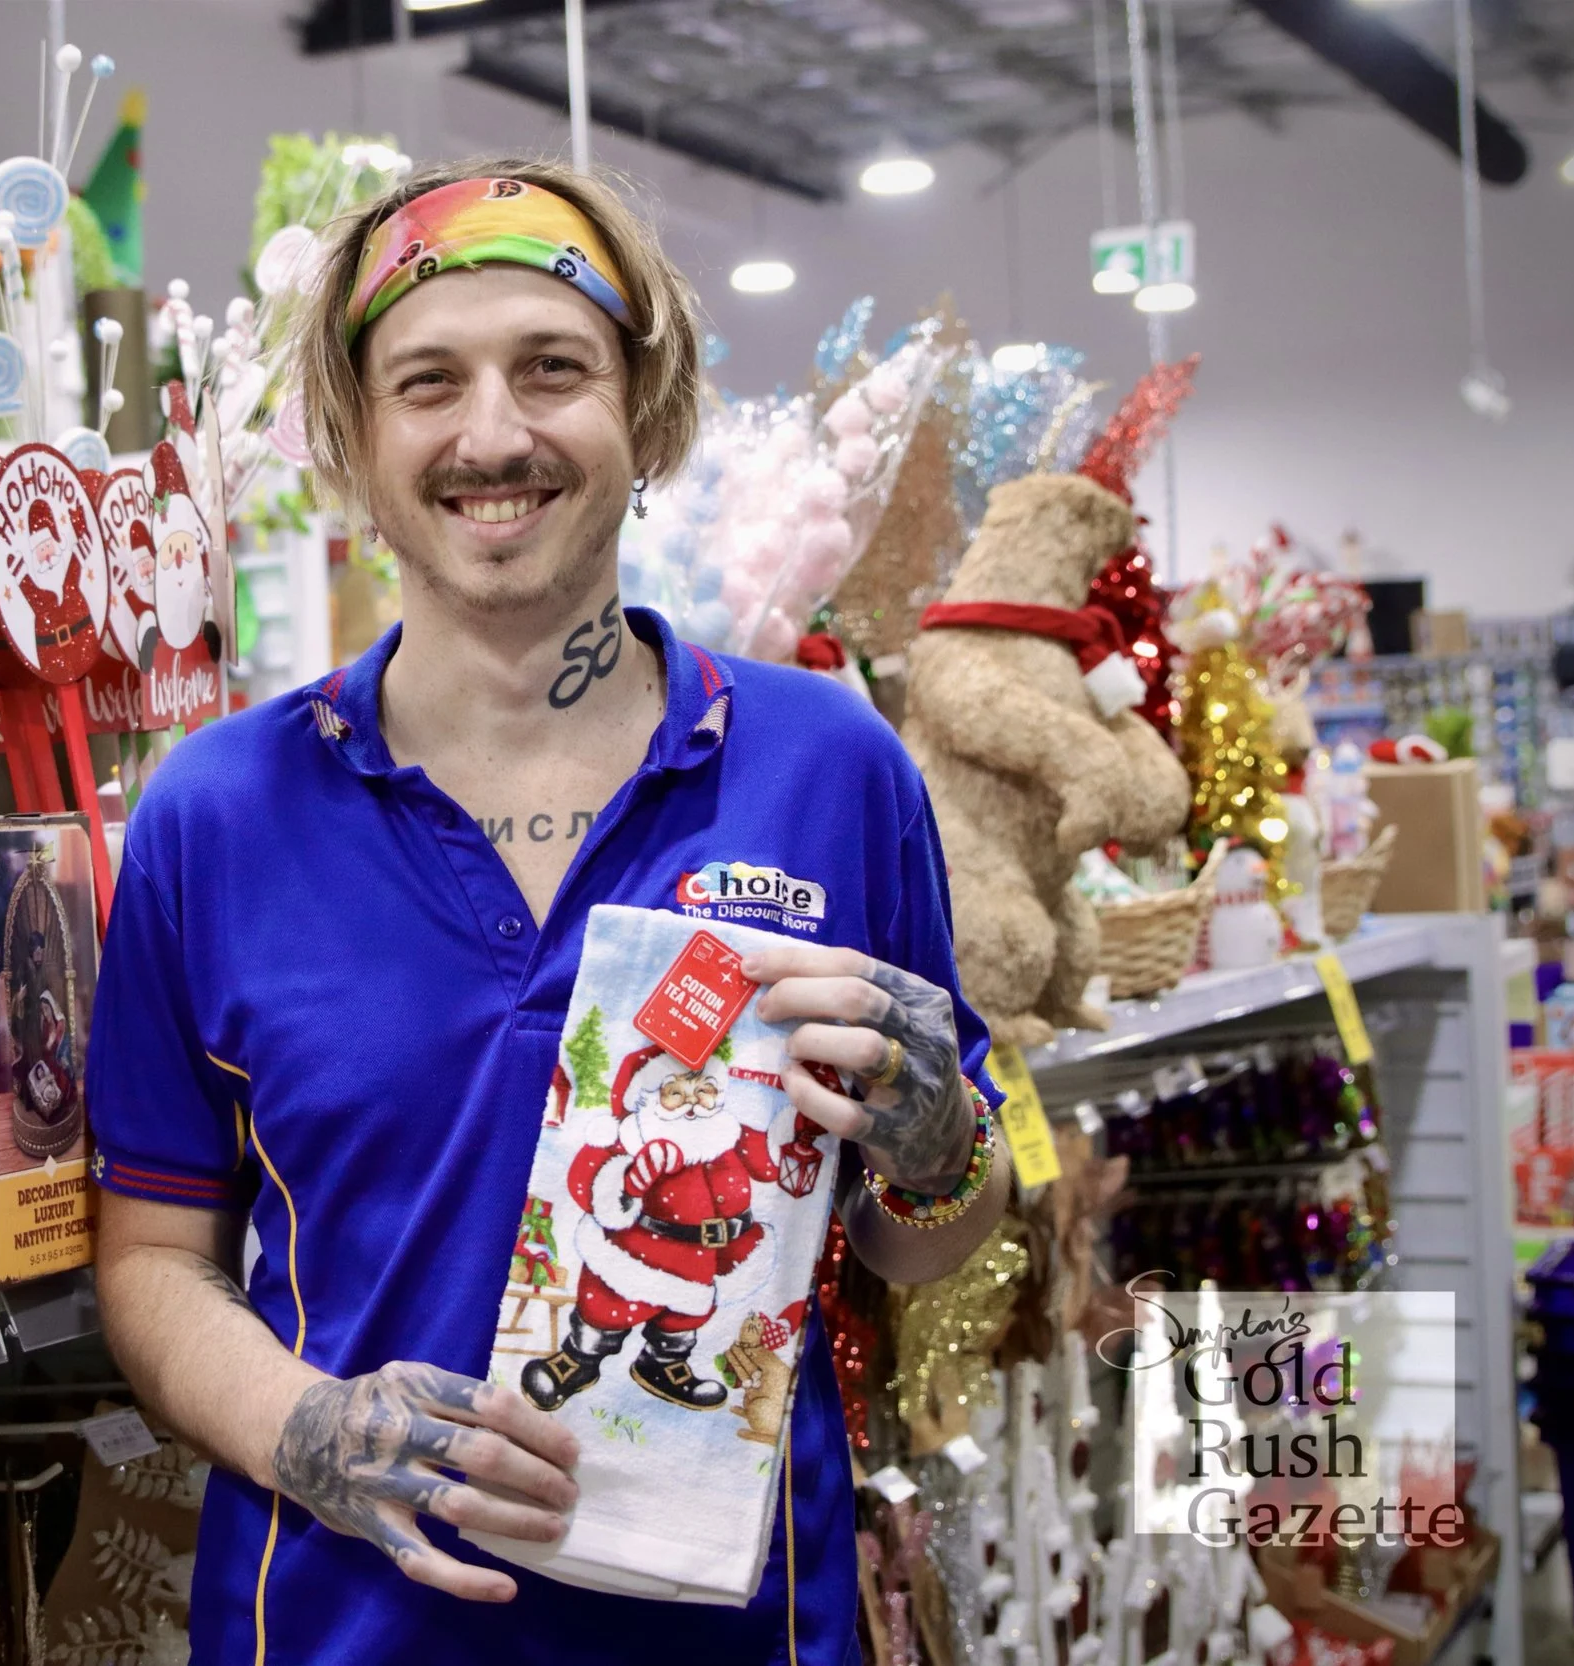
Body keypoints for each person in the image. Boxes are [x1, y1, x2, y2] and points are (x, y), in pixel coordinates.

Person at [87, 158, 1011, 1665]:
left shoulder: (827, 771)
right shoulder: (217, 817)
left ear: (645, 413)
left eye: (554, 368)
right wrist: (308, 1425)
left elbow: (934, 1237)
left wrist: (939, 1145)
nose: (494, 434)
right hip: (339, 1630)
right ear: (353, 434)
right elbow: (151, 1257)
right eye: (428, 381)